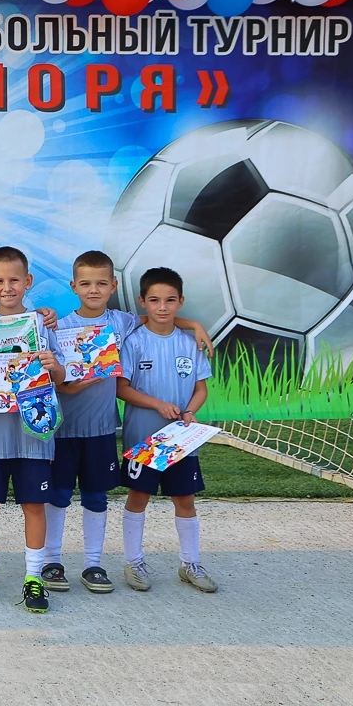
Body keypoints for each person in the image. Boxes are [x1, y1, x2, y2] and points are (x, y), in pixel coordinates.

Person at [47, 251, 213, 594]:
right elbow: (57, 382)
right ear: (74, 286)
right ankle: (52, 562)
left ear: (113, 286)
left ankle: (94, 564)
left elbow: (160, 318)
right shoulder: (59, 328)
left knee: (96, 498)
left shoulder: (121, 323)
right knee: (60, 496)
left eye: (101, 283)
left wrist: (195, 324)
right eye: (86, 283)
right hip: (63, 430)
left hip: (103, 431)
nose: (94, 290)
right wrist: (73, 385)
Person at [0, 247, 64, 614]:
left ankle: (34, 578)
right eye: (0, 281)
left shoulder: (42, 324)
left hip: (34, 434)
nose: (8, 287)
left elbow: (63, 377)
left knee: (33, 505)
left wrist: (53, 366)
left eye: (14, 280)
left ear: (28, 282)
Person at [116, 267, 217, 594]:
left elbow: (201, 388)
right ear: (143, 301)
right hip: (143, 439)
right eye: (155, 300)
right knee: (138, 497)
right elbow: (122, 388)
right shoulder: (134, 341)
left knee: (184, 500)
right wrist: (157, 405)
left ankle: (190, 563)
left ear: (180, 301)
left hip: (180, 441)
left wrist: (190, 410)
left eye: (170, 300)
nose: (162, 307)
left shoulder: (190, 343)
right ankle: (134, 563)